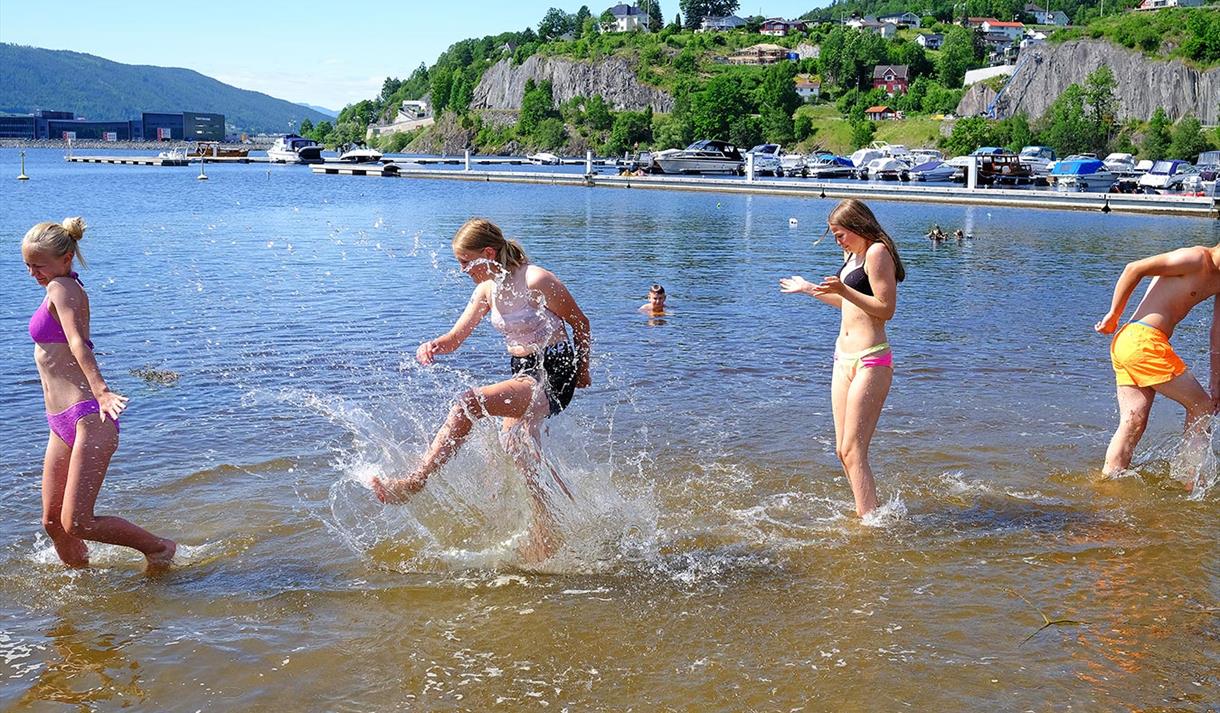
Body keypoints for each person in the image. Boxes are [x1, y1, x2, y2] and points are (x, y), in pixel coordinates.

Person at [372, 218, 592, 558]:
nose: (462, 270)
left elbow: (580, 322)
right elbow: (456, 338)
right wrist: (434, 345)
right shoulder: (487, 289)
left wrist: (583, 369)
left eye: (465, 261)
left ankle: (415, 482)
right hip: (522, 371)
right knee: (516, 448)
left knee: (467, 404)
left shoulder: (537, 280)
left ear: (488, 253)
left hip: (553, 372)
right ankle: (556, 523)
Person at [22, 218, 175, 570]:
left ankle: (160, 549)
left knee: (77, 522)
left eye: (39, 265)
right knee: (53, 523)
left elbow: (78, 343)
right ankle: (81, 595)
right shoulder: (55, 288)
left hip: (87, 417)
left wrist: (102, 391)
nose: (33, 273)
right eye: (28, 265)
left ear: (66, 258)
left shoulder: (62, 287)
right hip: (60, 422)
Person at [779, 199, 905, 517]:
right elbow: (847, 304)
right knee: (842, 451)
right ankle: (868, 511)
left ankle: (870, 524)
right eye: (834, 235)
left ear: (858, 226)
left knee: (853, 449)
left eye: (840, 234)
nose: (838, 241)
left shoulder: (877, 252)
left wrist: (846, 291)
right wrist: (809, 289)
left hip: (871, 360)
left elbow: (886, 309)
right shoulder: (851, 255)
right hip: (842, 358)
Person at [1095, 243, 1220, 480]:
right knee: (1201, 406)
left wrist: (1216, 383)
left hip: (1133, 343)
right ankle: (1192, 481)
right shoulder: (1195, 258)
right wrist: (1113, 315)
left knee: (1133, 422)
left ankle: (1108, 482)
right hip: (1141, 340)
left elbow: (1218, 333)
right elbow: (1134, 268)